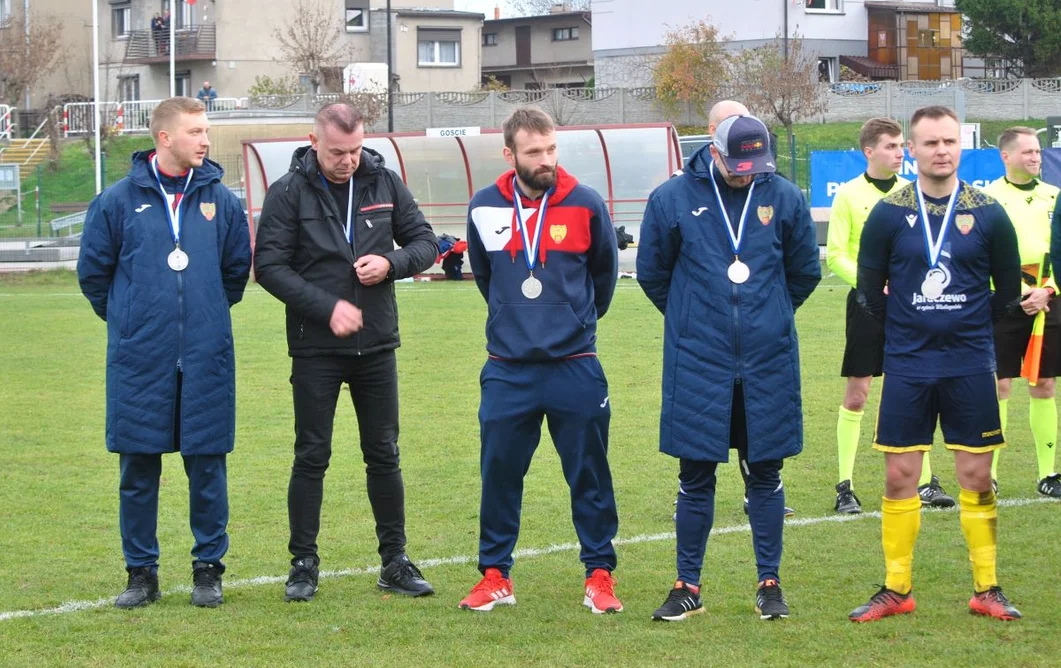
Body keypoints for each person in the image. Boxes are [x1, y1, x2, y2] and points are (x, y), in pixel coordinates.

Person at [638, 113, 821, 622]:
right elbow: (655, 277)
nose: (747, 174)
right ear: (713, 152)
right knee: (695, 472)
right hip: (699, 360)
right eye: (738, 165)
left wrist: (768, 317)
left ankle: (769, 583)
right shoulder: (671, 199)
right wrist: (696, 320)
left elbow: (804, 273)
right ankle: (687, 585)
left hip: (768, 360)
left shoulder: (782, 195)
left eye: (755, 165)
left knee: (765, 471)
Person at [253, 103, 439, 602]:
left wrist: (393, 262)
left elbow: (426, 242)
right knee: (312, 455)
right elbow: (269, 267)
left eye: (356, 149)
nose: (349, 160)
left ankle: (394, 562)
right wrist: (326, 307)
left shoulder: (384, 182)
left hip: (377, 344)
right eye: (338, 152)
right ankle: (303, 564)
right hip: (316, 348)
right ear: (314, 142)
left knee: (384, 454)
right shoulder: (288, 192)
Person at [850, 105, 1023, 623]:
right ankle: (896, 588)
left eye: (949, 142)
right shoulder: (889, 213)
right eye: (929, 143)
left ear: (960, 147)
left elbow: (1010, 293)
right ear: (913, 150)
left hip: (970, 363)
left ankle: (987, 588)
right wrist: (906, 328)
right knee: (900, 474)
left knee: (976, 474)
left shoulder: (988, 210)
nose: (941, 151)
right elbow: (867, 291)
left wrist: (967, 325)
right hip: (908, 365)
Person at [77, 97, 251, 609]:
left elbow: (234, 275)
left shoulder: (224, 202)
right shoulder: (115, 202)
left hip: (205, 355)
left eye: (206, 130)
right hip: (140, 358)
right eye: (195, 131)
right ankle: (141, 574)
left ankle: (207, 569)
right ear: (164, 138)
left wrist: (201, 319)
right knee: (137, 470)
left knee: (207, 466)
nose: (205, 140)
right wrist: (136, 321)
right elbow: (94, 275)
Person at [459, 107, 622, 614]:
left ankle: (599, 575)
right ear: (510, 154)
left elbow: (603, 280)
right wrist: (513, 318)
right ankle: (495, 575)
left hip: (575, 364)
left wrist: (571, 321)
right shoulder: (484, 206)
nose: (546, 160)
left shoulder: (586, 203)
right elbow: (487, 278)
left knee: (589, 474)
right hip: (508, 368)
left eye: (551, 149)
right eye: (534, 152)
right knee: (499, 472)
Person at [827, 119, 957, 513]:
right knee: (858, 393)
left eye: (902, 146)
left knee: (917, 387)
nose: (900, 152)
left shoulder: (915, 192)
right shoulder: (848, 195)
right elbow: (835, 255)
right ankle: (844, 486)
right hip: (868, 305)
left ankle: (925, 483)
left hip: (913, 305)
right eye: (891, 146)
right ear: (869, 151)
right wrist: (872, 284)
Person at [985, 127, 1061, 498]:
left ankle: (1048, 474)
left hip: (1049, 298)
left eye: (1037, 152)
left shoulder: (1055, 197)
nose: (1035, 158)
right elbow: (978, 256)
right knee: (998, 386)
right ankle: (989, 474)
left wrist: (1047, 289)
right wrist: (1019, 292)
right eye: (1028, 152)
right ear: (1006, 156)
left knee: (1044, 384)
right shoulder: (986, 199)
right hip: (1003, 301)